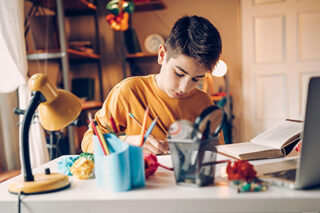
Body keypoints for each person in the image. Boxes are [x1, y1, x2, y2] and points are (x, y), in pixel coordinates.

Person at [81, 15, 222, 154]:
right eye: (179, 73)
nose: (184, 88)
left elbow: (216, 152)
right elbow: (88, 140)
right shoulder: (129, 91)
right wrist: (125, 142)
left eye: (196, 79)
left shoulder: (204, 103)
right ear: (162, 55)